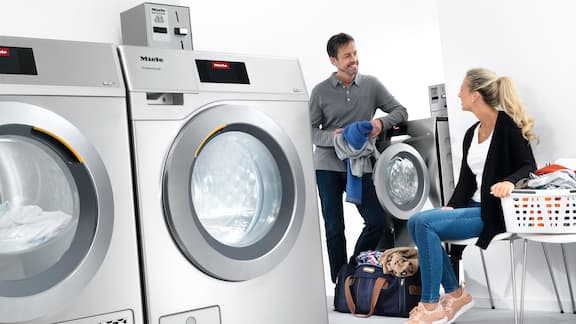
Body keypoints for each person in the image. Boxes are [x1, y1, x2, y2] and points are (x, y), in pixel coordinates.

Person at [405, 68, 538, 324]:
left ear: (476, 95)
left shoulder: (508, 127)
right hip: (472, 207)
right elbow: (466, 180)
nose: (458, 94)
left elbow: (529, 166)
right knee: (415, 221)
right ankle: (456, 294)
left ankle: (431, 304)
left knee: (424, 223)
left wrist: (509, 182)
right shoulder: (471, 133)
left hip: (494, 211)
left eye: (462, 89)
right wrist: (452, 206)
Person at [309, 32, 408, 283]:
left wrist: (380, 122)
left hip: (360, 164)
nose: (353, 61)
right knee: (334, 227)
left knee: (377, 221)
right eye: (346, 57)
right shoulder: (320, 92)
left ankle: (352, 270)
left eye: (355, 54)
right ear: (333, 60)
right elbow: (309, 131)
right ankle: (340, 282)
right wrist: (334, 137)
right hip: (328, 166)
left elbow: (400, 111)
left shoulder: (371, 85)